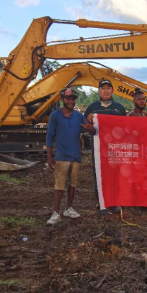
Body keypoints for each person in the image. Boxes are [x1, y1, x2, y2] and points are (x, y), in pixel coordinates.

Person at [84, 79, 126, 215]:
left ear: (112, 90)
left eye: (108, 88)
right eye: (103, 88)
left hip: (115, 148)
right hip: (98, 148)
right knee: (99, 174)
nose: (106, 90)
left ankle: (113, 203)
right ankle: (101, 204)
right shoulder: (92, 108)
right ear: (99, 91)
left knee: (115, 175)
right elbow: (89, 130)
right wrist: (89, 126)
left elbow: (125, 129)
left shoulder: (120, 108)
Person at [45, 88, 85, 225]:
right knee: (59, 185)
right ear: (62, 99)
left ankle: (68, 208)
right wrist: (49, 157)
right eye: (68, 98)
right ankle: (56, 213)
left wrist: (91, 127)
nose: (71, 101)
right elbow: (50, 136)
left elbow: (89, 129)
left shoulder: (79, 116)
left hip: (75, 156)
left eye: (73, 99)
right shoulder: (55, 116)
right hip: (61, 156)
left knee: (73, 184)